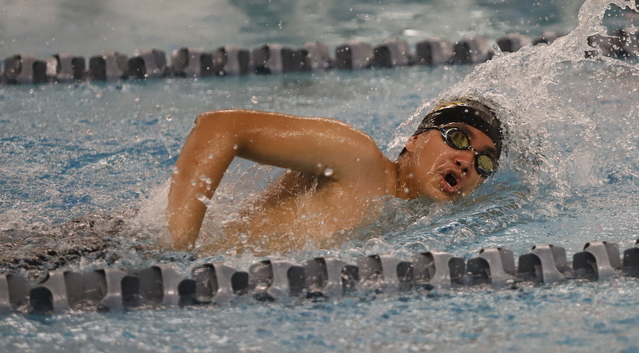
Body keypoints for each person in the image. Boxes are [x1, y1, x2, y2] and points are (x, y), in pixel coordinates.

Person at [166, 100, 503, 252]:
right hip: (147, 255)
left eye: (483, 163)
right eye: (457, 139)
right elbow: (219, 127)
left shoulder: (415, 219)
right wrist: (179, 246)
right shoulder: (356, 158)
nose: (466, 162)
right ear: (415, 141)